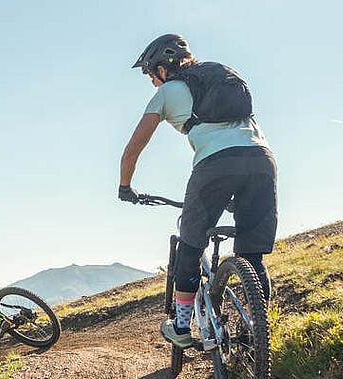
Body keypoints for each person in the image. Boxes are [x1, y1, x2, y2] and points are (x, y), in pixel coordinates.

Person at [118, 33, 277, 348]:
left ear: (164, 68)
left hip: (215, 167)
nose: (152, 81)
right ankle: (255, 330)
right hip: (261, 161)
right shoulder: (223, 75)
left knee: (190, 245)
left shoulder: (169, 91)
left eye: (151, 73)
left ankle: (180, 327)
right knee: (252, 254)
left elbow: (132, 150)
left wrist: (126, 186)